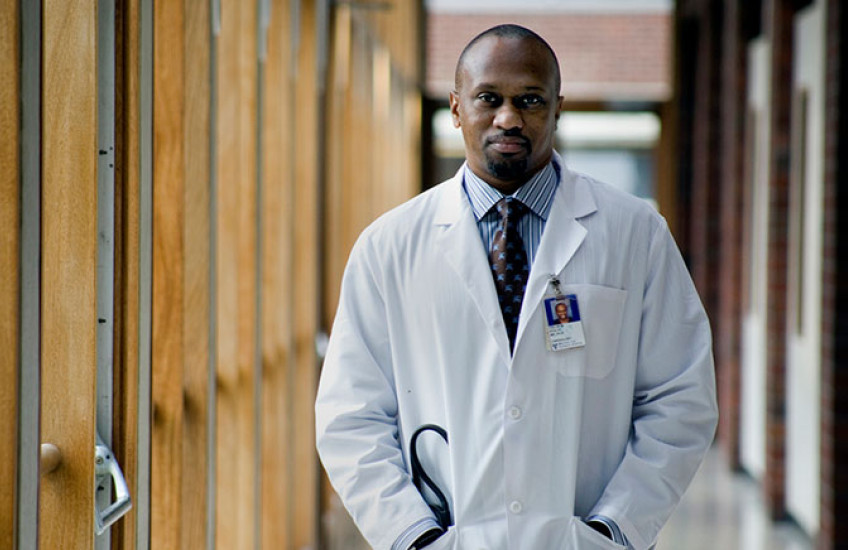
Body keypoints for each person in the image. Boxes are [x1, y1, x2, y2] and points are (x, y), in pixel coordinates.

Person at [315, 24, 717, 550]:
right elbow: (351, 416)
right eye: (489, 98)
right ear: (457, 108)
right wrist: (412, 536)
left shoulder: (633, 234)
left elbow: (680, 398)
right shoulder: (389, 247)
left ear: (557, 108)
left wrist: (614, 530)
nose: (509, 117)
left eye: (530, 99)